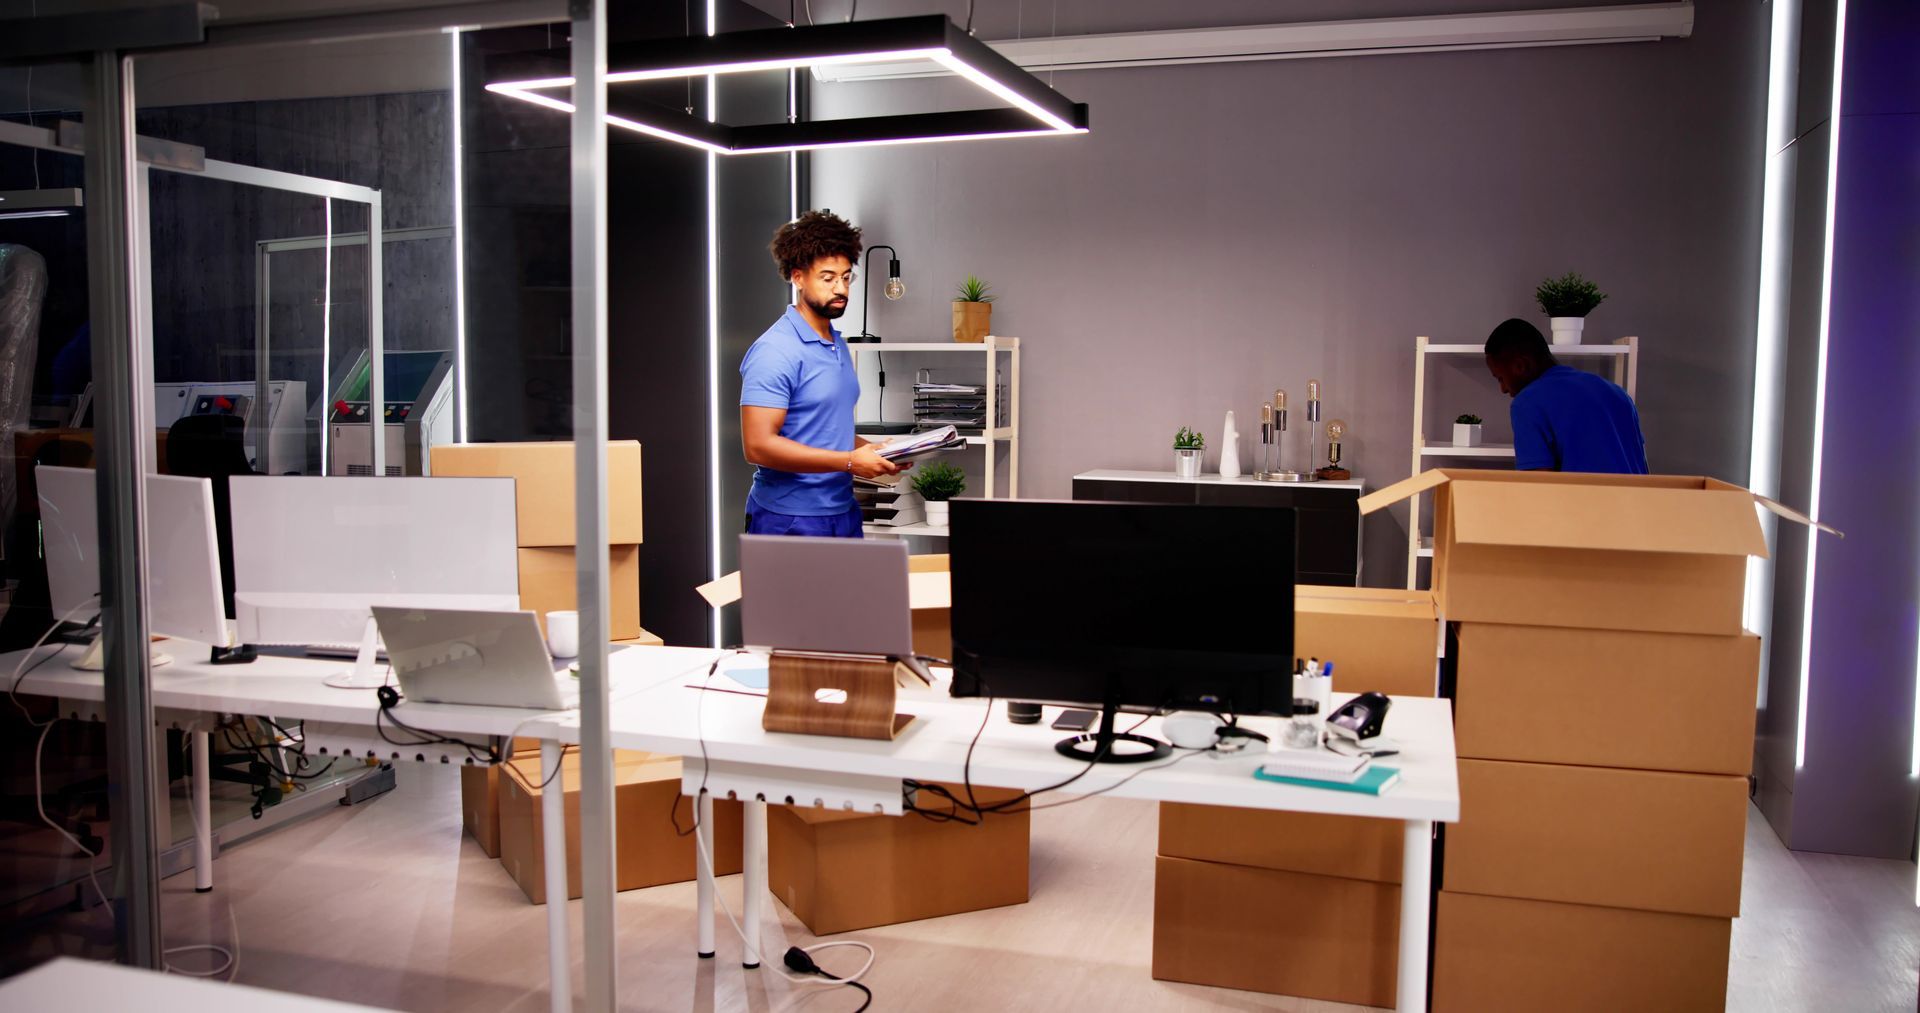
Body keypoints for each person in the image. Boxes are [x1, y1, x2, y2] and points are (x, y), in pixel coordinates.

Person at [738, 210, 903, 537]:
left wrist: (876, 452)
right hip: (788, 516)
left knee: (852, 591)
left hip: (843, 511)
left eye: (845, 277)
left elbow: (824, 431)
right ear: (797, 277)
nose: (840, 288)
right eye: (828, 278)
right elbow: (757, 446)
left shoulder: (836, 344)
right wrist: (851, 462)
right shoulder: (775, 350)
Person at [1484, 317, 1648, 474]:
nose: (1503, 389)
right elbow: (1640, 466)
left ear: (1521, 366)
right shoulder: (1618, 394)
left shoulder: (1527, 403)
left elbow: (1536, 487)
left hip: (1584, 503)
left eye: (1500, 378)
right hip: (1642, 502)